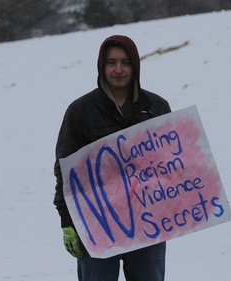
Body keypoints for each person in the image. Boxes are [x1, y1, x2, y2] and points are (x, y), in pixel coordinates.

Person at [53, 35, 171, 281]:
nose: (118, 69)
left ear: (135, 65)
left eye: (125, 62)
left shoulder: (157, 107)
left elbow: (172, 165)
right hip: (97, 222)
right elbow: (64, 170)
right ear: (101, 66)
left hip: (148, 222)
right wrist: (67, 220)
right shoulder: (80, 112)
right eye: (111, 62)